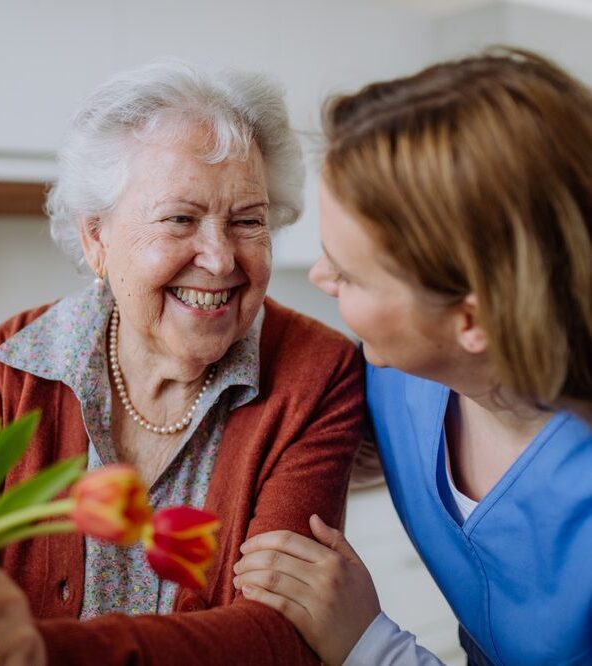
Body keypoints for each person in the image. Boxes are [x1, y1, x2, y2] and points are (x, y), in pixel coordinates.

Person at [0, 61, 364, 665]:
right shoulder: (10, 369)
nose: (218, 259)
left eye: (248, 221)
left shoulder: (317, 373)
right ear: (95, 239)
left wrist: (37, 650)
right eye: (179, 219)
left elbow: (283, 635)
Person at [233, 48, 592, 665]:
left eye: (349, 275)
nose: (320, 276)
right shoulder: (401, 381)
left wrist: (371, 645)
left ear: (471, 318)